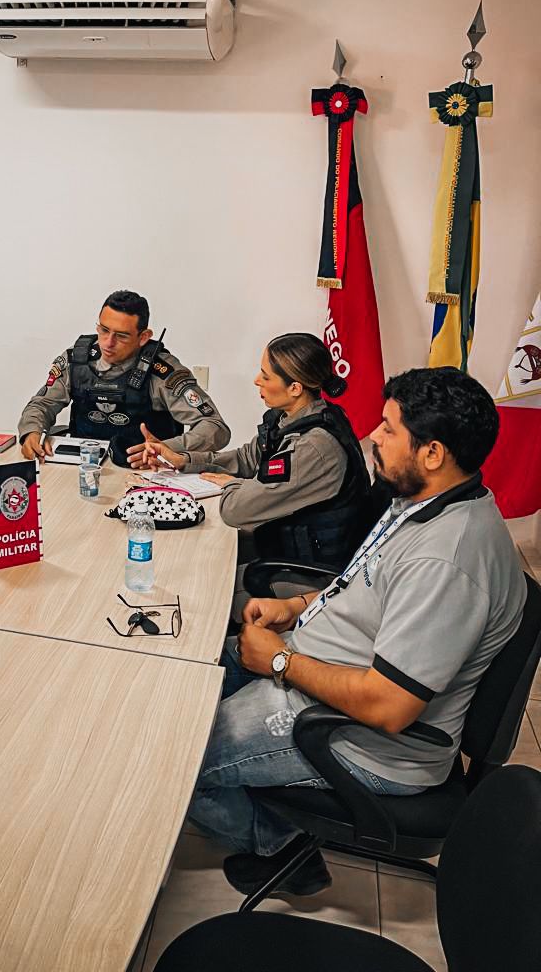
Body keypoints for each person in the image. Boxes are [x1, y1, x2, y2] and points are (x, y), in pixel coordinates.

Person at [188, 366, 526, 898]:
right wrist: (296, 606)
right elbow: (366, 588)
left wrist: (279, 662)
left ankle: (278, 848)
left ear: (433, 453)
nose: (373, 437)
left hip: (360, 737)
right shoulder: (422, 502)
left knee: (175, 756)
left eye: (389, 428)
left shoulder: (446, 561)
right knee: (186, 677)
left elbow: (390, 707)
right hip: (317, 666)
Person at [129, 332, 373, 571]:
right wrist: (183, 460)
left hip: (307, 570)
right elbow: (246, 458)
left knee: (199, 566)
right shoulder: (292, 418)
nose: (257, 380)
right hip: (281, 542)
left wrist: (233, 484)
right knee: (191, 553)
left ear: (295, 388)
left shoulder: (312, 447)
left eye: (266, 376)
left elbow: (235, 510)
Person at [17, 290, 230, 467]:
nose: (108, 343)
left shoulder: (162, 372)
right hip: (84, 466)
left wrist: (169, 448)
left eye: (121, 335)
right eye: (104, 330)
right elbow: (42, 404)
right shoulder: (77, 361)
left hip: (146, 470)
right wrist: (32, 432)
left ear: (143, 337)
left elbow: (215, 427)